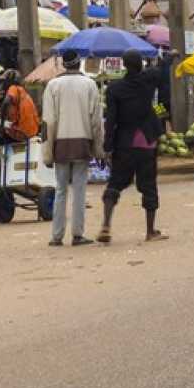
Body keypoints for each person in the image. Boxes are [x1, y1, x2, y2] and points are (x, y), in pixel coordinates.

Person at [98, 51, 165, 244]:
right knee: (148, 185)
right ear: (141, 64)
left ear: (124, 65)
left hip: (124, 142)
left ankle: (106, 224)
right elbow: (160, 68)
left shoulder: (114, 89)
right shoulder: (148, 81)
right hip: (146, 141)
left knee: (115, 183)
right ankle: (150, 231)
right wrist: (170, 57)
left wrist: (108, 146)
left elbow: (111, 120)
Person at [42, 53, 103, 245]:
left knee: (60, 190)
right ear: (79, 64)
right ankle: (78, 234)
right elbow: (96, 121)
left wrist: (47, 153)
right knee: (79, 190)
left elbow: (48, 122)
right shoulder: (90, 85)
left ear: (64, 65)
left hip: (60, 145)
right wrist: (99, 150)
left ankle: (56, 236)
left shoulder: (52, 86)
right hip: (82, 143)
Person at [0, 70, 39, 191]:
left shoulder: (13, 88)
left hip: (20, 133)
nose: (2, 84)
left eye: (4, 81)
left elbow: (6, 102)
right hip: (30, 132)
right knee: (1, 138)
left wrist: (1, 125)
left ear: (10, 81)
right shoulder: (24, 92)